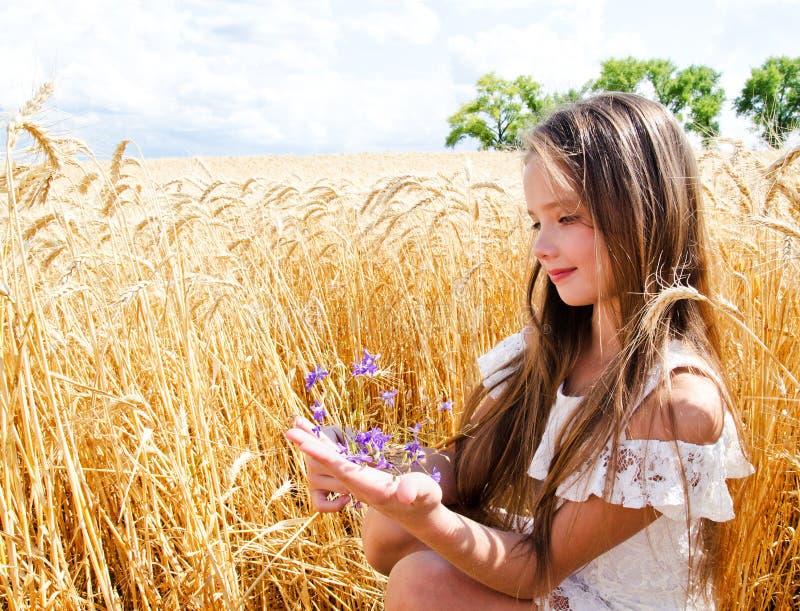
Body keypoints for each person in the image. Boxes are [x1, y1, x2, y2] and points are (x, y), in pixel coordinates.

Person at [286, 92, 753, 609]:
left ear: (645, 213)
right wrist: (365, 462)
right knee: (386, 531)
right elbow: (461, 467)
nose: (540, 247)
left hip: (606, 596)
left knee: (422, 581)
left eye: (568, 218)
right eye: (537, 221)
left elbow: (537, 570)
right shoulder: (548, 352)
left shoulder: (676, 401)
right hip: (555, 578)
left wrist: (428, 517)